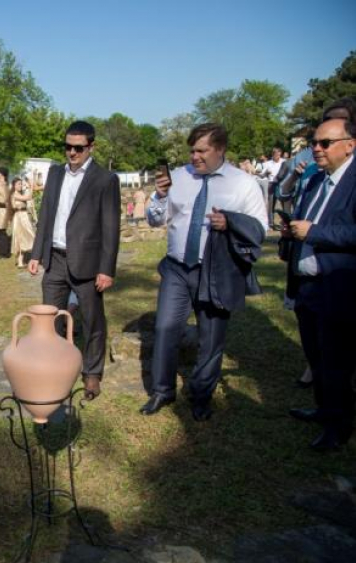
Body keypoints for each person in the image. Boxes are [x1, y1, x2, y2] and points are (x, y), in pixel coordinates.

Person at [140, 123, 267, 420]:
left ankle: (200, 396)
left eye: (201, 150)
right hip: (176, 269)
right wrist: (158, 198)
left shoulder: (242, 183)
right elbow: (156, 221)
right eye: (192, 150)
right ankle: (162, 391)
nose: (194, 156)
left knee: (210, 337)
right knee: (165, 329)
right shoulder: (179, 177)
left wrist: (231, 222)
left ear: (220, 149)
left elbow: (260, 228)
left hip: (216, 271)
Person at [28, 120, 120, 400]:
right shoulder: (55, 174)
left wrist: (106, 268)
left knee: (93, 322)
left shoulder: (105, 180)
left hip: (89, 263)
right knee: (49, 321)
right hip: (55, 259)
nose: (72, 152)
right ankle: (54, 370)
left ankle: (92, 374)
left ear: (91, 147)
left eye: (78, 148)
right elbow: (46, 215)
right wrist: (35, 253)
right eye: (67, 146)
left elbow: (110, 227)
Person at [283, 117, 356, 451]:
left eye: (324, 143)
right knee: (315, 355)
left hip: (338, 286)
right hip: (307, 286)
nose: (316, 148)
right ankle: (324, 409)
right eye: (314, 142)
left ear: (349, 144)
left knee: (335, 360)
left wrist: (314, 232)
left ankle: (338, 427)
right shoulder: (314, 181)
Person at [10, 177, 36, 268]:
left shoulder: (20, 193)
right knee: (21, 238)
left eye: (21, 184)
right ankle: (20, 261)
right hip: (19, 217)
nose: (20, 186)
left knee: (25, 237)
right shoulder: (14, 194)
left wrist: (29, 187)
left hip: (24, 216)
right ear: (14, 185)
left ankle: (21, 261)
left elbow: (28, 197)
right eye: (18, 184)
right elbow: (28, 197)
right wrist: (32, 186)